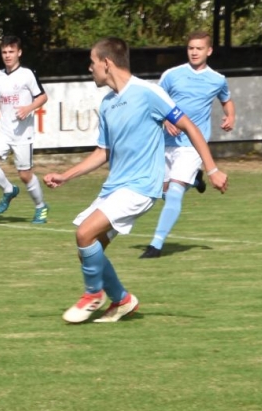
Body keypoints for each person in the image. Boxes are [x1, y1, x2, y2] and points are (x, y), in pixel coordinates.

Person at [44, 37, 228, 324]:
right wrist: (66, 176)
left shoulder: (148, 92)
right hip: (115, 187)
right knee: (90, 250)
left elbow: (189, 126)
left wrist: (212, 169)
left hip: (140, 187)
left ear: (107, 63)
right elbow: (103, 152)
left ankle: (93, 295)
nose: (90, 68)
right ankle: (122, 300)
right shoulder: (108, 104)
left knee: (84, 234)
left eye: (92, 62)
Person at [140, 31, 236, 259]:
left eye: (199, 48)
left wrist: (230, 116)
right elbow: (155, 101)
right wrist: (165, 120)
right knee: (162, 192)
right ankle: (195, 180)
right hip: (166, 143)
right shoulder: (172, 75)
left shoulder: (217, 79)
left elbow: (226, 100)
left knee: (174, 193)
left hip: (193, 145)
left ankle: (156, 245)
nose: (194, 52)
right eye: (191, 48)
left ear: (209, 51)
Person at [0, 35, 50, 224]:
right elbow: (2, 99)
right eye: (4, 52)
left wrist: (28, 108)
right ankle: (9, 190)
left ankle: (41, 207)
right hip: (4, 131)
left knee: (25, 175)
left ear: (19, 53)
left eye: (11, 51)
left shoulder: (27, 74)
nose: (7, 55)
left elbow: (42, 97)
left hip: (22, 134)